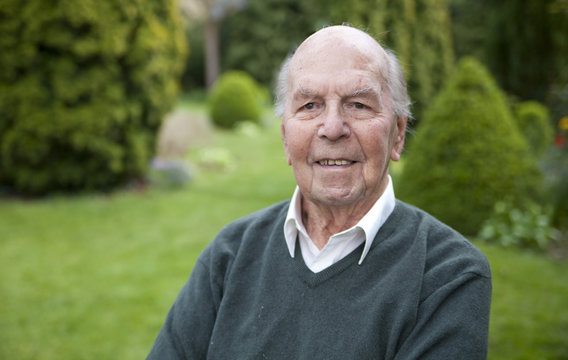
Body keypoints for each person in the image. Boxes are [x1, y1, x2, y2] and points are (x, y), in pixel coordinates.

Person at [147, 25, 492, 359]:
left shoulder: (448, 276)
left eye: (358, 104)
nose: (332, 128)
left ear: (397, 135)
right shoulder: (230, 254)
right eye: (310, 105)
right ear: (285, 138)